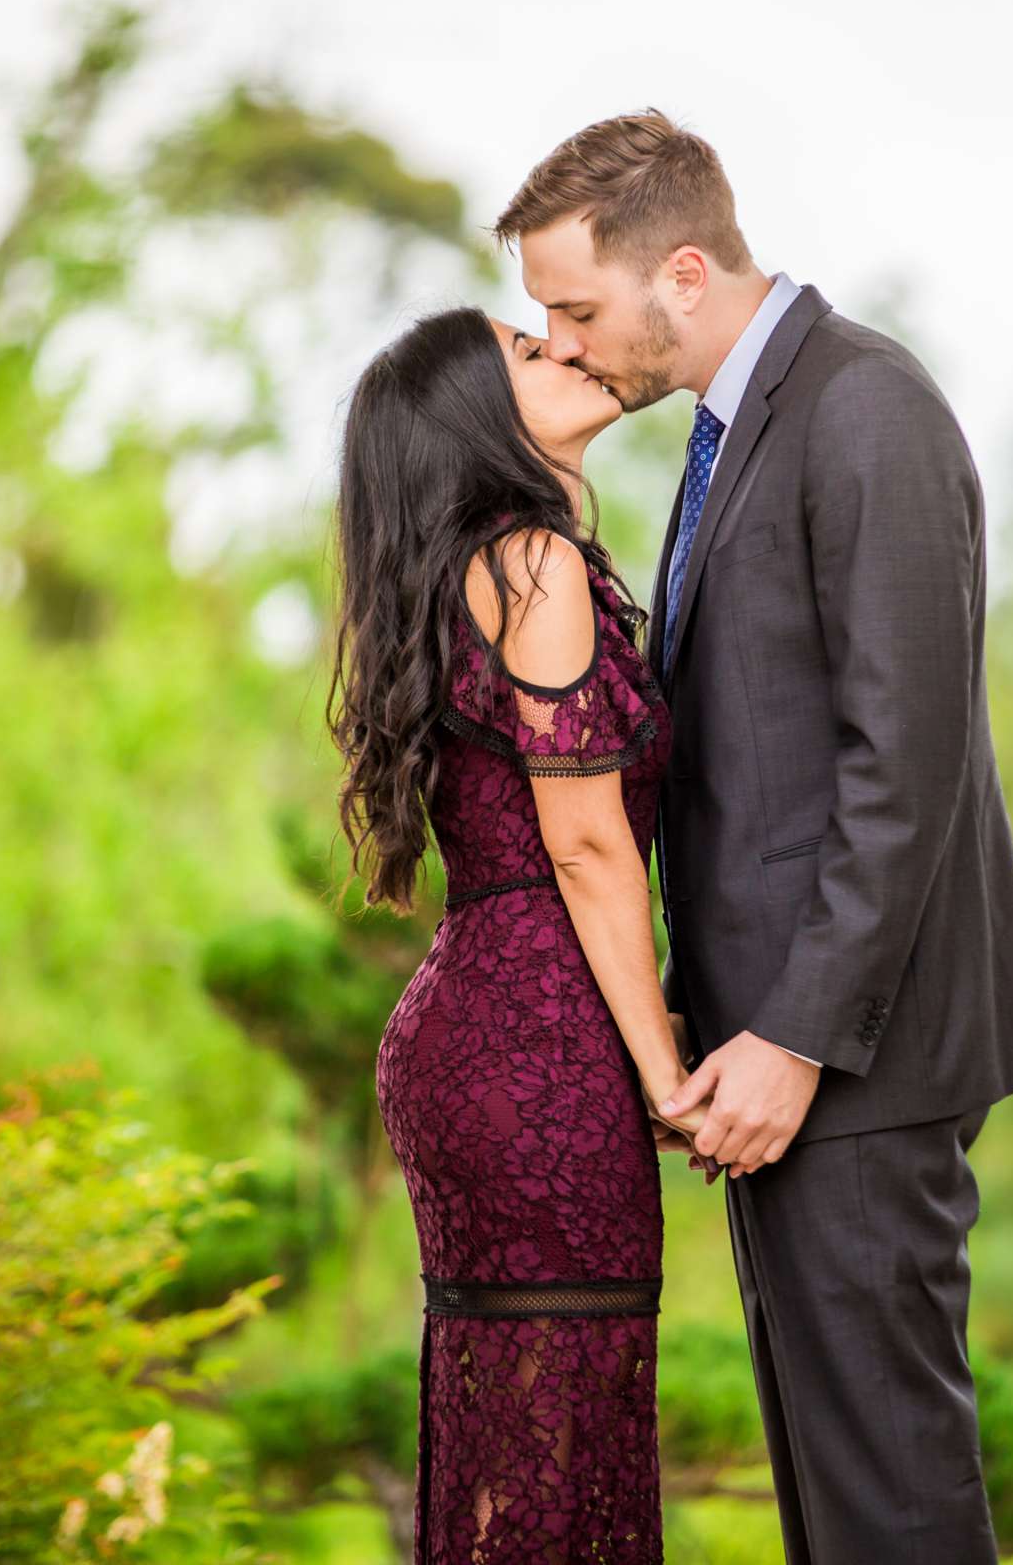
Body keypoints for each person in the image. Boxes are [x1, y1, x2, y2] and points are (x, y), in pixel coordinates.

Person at [493, 109, 1013, 1564]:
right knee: (836, 1506)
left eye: (577, 307)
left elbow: (904, 760)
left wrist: (797, 1037)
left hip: (855, 1062)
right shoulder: (735, 430)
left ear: (683, 272)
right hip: (779, 1069)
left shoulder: (865, 407)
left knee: (892, 1501)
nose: (561, 339)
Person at [330, 304, 706, 1562]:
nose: (568, 349)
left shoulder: (483, 571)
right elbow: (589, 843)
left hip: (481, 1032)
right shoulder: (532, 562)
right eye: (529, 351)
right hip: (537, 1046)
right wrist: (664, 1070)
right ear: (479, 421)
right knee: (564, 1436)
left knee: (522, 1444)